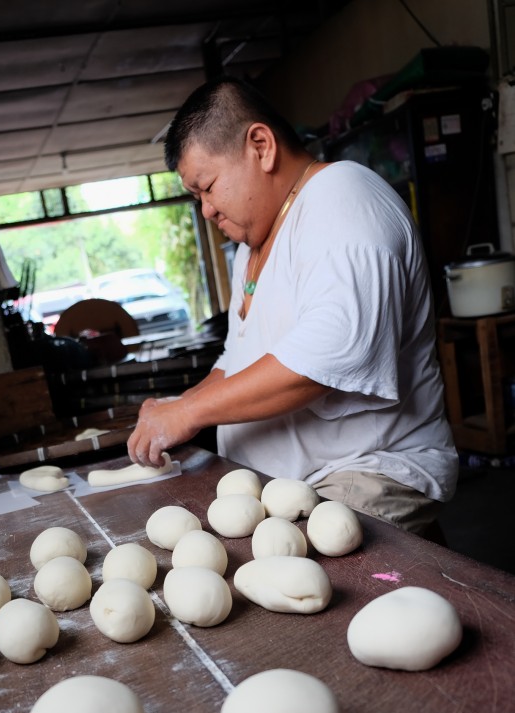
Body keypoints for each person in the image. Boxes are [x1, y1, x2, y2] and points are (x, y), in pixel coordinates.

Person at [126, 76, 458, 534]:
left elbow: (328, 354)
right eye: (196, 197)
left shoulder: (342, 200)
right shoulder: (251, 246)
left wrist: (187, 414)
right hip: (290, 486)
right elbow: (237, 360)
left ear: (260, 146)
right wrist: (177, 405)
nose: (204, 210)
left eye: (207, 187)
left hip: (365, 476)